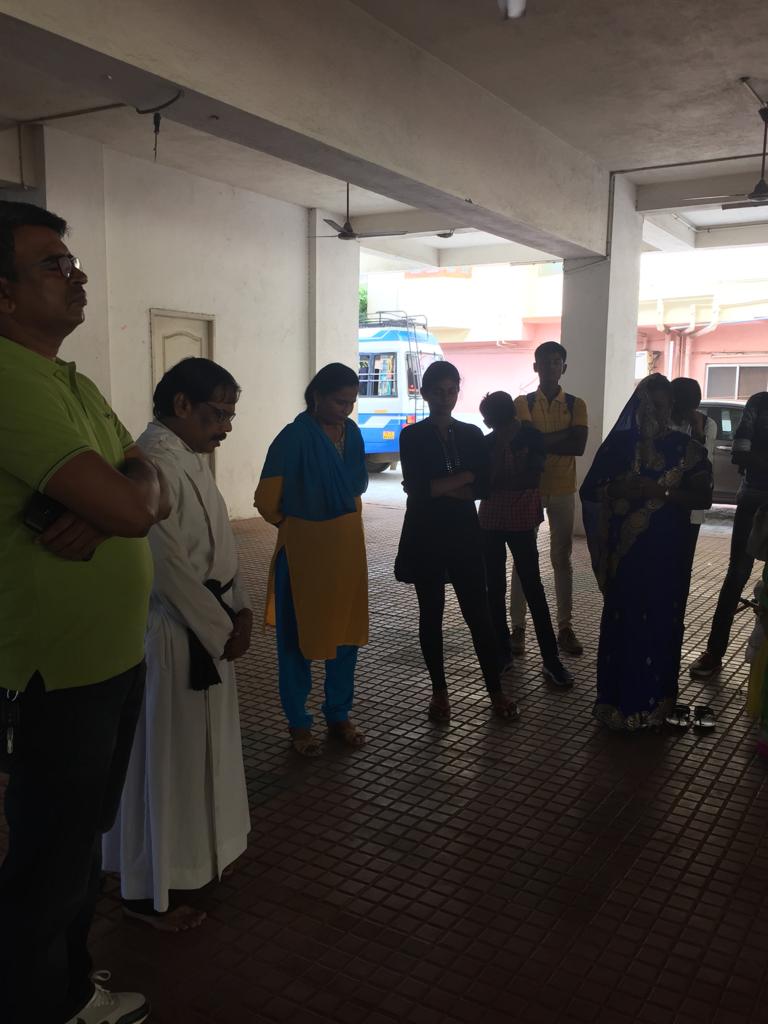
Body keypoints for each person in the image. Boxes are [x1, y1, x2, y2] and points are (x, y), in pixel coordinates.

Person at [0, 201, 169, 1024]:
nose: (78, 276)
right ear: (2, 293)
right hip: (52, 669)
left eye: (73, 262)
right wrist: (123, 502)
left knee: (77, 847)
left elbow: (149, 481)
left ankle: (67, 990)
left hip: (108, 660)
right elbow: (139, 504)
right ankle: (39, 1005)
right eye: (53, 265)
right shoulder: (6, 378)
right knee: (48, 858)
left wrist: (113, 504)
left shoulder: (72, 380)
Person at [103, 358, 252, 931]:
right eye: (218, 413)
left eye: (231, 414)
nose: (226, 427)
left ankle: (196, 858)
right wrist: (220, 628)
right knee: (164, 762)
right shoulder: (149, 463)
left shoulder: (187, 456)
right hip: (171, 635)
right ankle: (147, 888)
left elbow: (221, 550)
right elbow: (165, 568)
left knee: (199, 756)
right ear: (182, 405)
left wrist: (240, 607)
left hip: (208, 625)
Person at [580, 374, 712, 731]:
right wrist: (618, 489)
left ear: (671, 407)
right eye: (647, 406)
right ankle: (615, 701)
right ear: (636, 408)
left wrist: (660, 492)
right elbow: (591, 491)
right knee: (623, 620)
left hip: (666, 552)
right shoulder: (619, 447)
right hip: (626, 555)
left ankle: (655, 702)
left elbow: (703, 497)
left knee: (659, 619)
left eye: (661, 405)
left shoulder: (686, 449)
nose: (654, 412)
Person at [254, 363, 368, 756]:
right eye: (339, 401)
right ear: (316, 396)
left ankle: (339, 714)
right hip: (304, 555)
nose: (345, 410)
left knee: (346, 636)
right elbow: (266, 501)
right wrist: (297, 522)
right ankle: (299, 724)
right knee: (296, 639)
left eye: (351, 402)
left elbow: (355, 484)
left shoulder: (352, 434)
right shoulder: (292, 438)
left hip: (347, 551)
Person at [394, 362, 518, 722]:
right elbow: (420, 488)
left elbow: (482, 487)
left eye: (452, 390)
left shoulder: (470, 433)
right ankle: (439, 693)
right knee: (430, 614)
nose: (446, 398)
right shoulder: (412, 435)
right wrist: (463, 478)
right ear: (425, 393)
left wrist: (438, 487)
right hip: (426, 535)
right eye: (438, 391)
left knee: (478, 615)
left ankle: (495, 691)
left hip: (463, 534)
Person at [478, 391, 574, 689]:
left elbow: (528, 478)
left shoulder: (526, 438)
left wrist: (494, 482)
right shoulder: (498, 441)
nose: (489, 424)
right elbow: (491, 483)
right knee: (497, 588)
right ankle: (510, 654)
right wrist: (497, 482)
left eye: (490, 419)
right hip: (495, 522)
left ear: (498, 417)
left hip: (512, 522)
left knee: (531, 588)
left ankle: (547, 659)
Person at [511, 341, 588, 658]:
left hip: (563, 488)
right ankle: (517, 627)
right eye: (545, 362)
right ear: (535, 367)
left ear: (564, 368)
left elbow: (579, 446)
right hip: (530, 488)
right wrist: (565, 436)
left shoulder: (576, 404)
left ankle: (564, 627)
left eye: (556, 362)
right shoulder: (522, 401)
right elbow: (527, 443)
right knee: (523, 558)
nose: (550, 367)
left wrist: (540, 441)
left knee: (562, 558)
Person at [689, 390, 768, 679]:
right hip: (753, 503)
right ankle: (714, 652)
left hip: (754, 497)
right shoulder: (759, 403)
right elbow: (740, 452)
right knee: (737, 575)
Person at [669, 377, 717, 598]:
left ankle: (677, 607)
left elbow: (703, 460)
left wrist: (697, 430)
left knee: (683, 563)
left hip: (691, 504)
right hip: (664, 501)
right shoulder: (663, 420)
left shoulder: (707, 424)